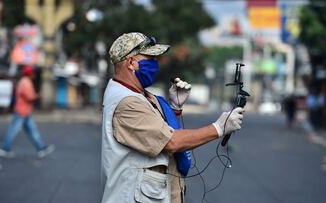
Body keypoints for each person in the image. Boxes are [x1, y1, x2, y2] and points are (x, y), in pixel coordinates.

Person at [101, 32, 244, 203]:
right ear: (131, 63)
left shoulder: (140, 95)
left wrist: (174, 108)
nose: (155, 65)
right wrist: (219, 128)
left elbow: (160, 130)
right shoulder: (126, 102)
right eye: (150, 59)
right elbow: (170, 141)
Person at [0, 65, 54, 158]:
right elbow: (30, 97)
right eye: (33, 73)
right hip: (22, 111)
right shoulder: (26, 82)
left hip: (25, 111)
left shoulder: (25, 81)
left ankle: (41, 148)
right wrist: (37, 95)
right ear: (30, 73)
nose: (34, 74)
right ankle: (5, 148)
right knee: (14, 130)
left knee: (32, 130)